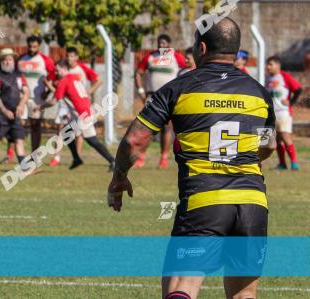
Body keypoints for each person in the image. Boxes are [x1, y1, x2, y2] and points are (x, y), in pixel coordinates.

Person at [108, 17, 276, 299]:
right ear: (235, 49)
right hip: (252, 203)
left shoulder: (180, 87)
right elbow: (268, 145)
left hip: (204, 202)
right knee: (245, 295)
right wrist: (248, 159)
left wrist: (119, 177)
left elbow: (135, 140)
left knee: (181, 287)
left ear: (201, 47)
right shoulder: (258, 92)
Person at [135, 34, 187, 169]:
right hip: (152, 96)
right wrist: (141, 91)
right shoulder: (150, 57)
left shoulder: (176, 57)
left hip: (170, 97)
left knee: (166, 128)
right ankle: (142, 156)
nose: (161, 45)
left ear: (169, 44)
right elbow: (138, 73)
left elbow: (187, 69)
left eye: (164, 43)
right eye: (159, 43)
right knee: (147, 127)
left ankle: (163, 157)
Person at [52, 60, 114, 170]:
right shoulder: (74, 77)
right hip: (84, 110)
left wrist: (41, 106)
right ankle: (76, 159)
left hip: (82, 114)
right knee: (66, 134)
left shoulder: (64, 81)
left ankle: (113, 161)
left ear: (64, 69)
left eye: (57, 70)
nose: (56, 73)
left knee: (92, 140)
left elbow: (54, 101)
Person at [0, 48, 29, 171]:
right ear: (0, 62)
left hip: (15, 113)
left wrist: (21, 106)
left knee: (19, 139)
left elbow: (26, 92)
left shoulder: (19, 76)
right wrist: (4, 111)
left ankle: (23, 167)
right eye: (4, 60)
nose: (7, 62)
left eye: (10, 59)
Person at [55, 47, 102, 161]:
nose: (69, 58)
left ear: (77, 57)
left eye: (72, 56)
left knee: (79, 132)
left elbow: (99, 80)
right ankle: (56, 157)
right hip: (65, 103)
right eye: (68, 56)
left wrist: (89, 91)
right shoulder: (63, 69)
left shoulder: (82, 69)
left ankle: (78, 156)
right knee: (61, 128)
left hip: (77, 105)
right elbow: (55, 82)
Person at [17, 35, 56, 157]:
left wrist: (47, 93)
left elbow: (53, 79)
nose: (31, 48)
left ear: (38, 46)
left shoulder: (45, 60)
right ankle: (15, 154)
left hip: (37, 98)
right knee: (18, 125)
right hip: (21, 98)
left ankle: (34, 154)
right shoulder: (21, 59)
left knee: (35, 125)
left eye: (34, 46)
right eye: (29, 46)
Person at [265, 56, 300, 170]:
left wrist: (291, 102)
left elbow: (298, 89)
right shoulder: (268, 79)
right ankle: (282, 164)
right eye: (267, 64)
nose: (268, 67)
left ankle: (294, 163)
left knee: (285, 136)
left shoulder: (284, 76)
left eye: (270, 64)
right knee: (276, 140)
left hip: (283, 112)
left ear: (278, 65)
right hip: (272, 113)